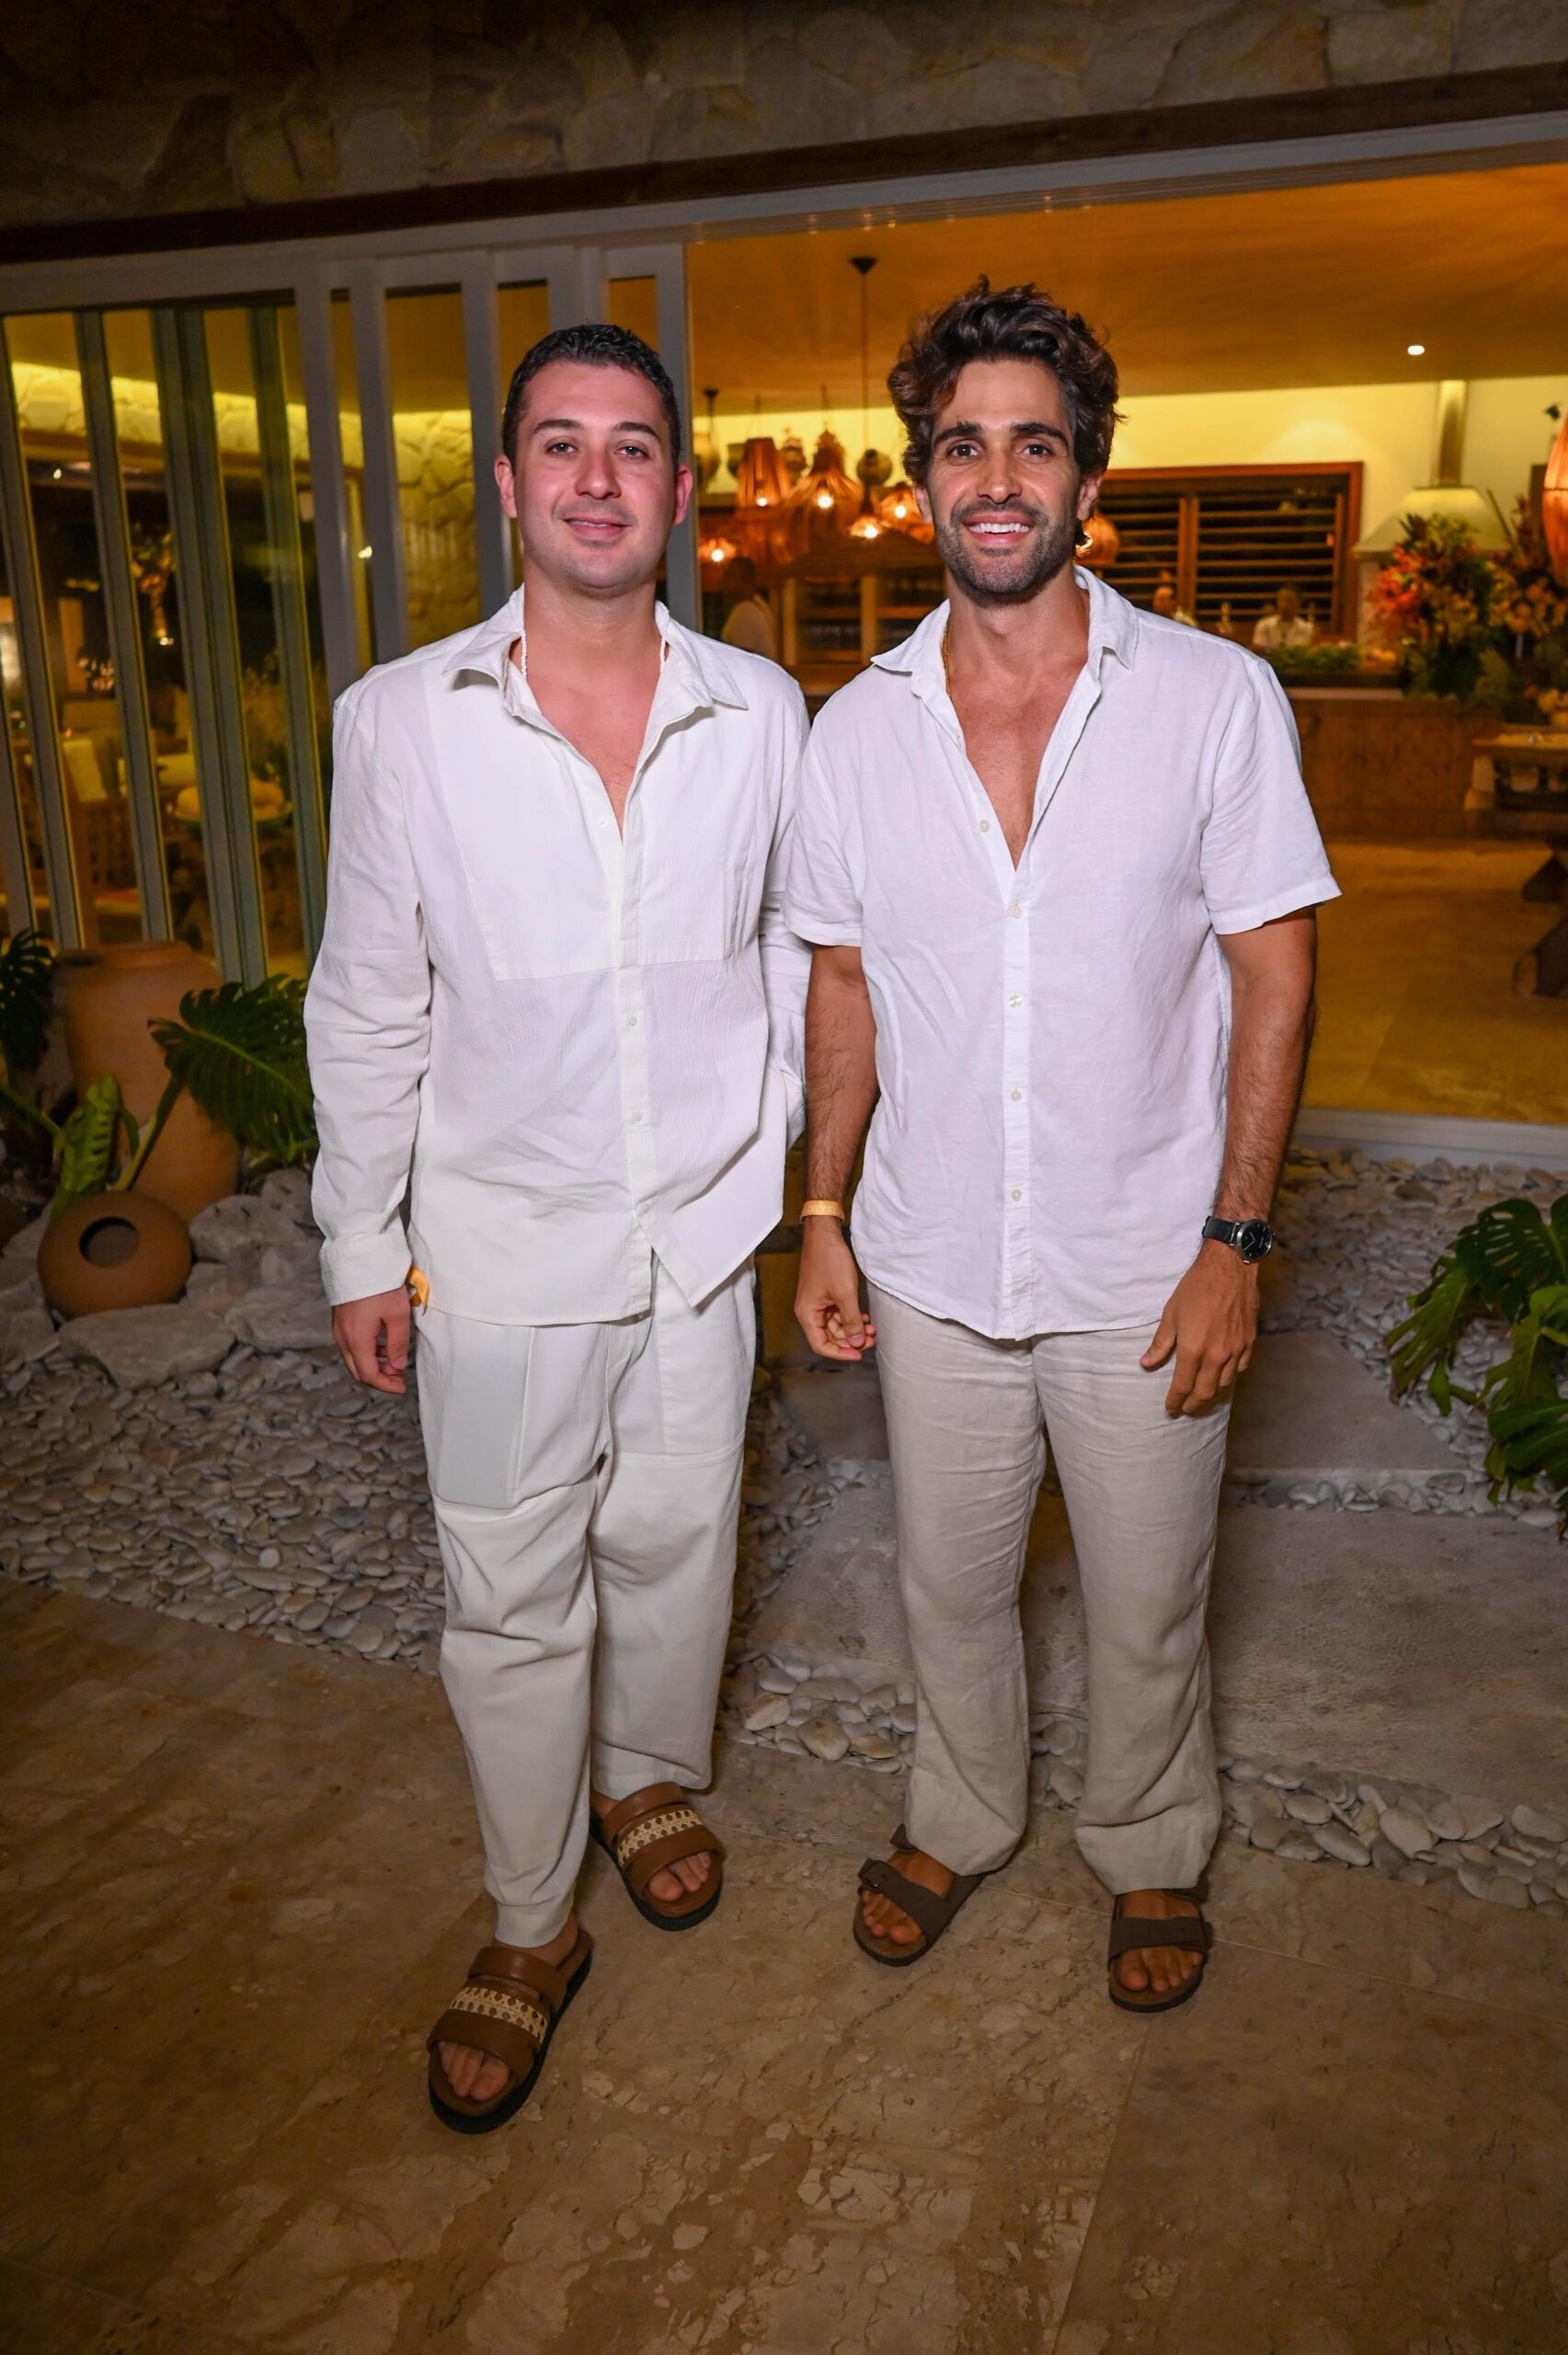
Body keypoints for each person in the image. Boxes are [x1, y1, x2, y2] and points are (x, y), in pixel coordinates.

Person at [787, 280, 1337, 2012]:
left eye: (1034, 443)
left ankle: (1151, 1837)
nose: (997, 477)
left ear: (1088, 477)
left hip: (1144, 1258)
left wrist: (1234, 1241)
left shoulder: (1214, 698)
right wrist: (823, 1210)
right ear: (923, 481)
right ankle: (960, 1812)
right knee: (948, 1586)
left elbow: (1273, 969)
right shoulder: (853, 729)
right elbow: (844, 984)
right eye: (963, 446)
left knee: (1148, 1599)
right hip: (932, 1255)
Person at [306, 322, 808, 2131]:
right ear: (512, 483)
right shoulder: (400, 720)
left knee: (679, 1539)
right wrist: (361, 1242)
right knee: (511, 1592)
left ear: (678, 487)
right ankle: (532, 1920)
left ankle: (644, 1774)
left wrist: (773, 1155)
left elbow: (790, 946)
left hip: (700, 1235)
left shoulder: (761, 711)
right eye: (562, 443)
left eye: (635, 444)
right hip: (502, 1239)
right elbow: (370, 999)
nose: (599, 477)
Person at [720, 555, 780, 660]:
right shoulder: (760, 605)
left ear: (745, 580)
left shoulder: (745, 611)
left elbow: (742, 659)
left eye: (729, 575)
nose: (723, 580)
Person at [1253, 583, 1313, 652]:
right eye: (1281, 600)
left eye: (1289, 601)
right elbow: (1258, 650)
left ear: (1298, 603)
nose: (1284, 605)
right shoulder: (1264, 624)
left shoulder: (1306, 628)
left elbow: (1305, 652)